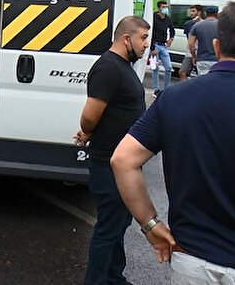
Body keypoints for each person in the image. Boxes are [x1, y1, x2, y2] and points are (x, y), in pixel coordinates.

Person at [111, 1, 235, 285]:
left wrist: (150, 225)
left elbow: (123, 160)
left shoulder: (175, 98)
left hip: (190, 259)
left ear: (216, 47)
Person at [74, 15, 150, 285]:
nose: (146, 45)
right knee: (109, 228)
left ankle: (113, 278)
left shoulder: (122, 66)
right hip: (109, 164)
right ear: (126, 38)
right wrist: (87, 131)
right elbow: (90, 116)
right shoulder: (108, 68)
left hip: (123, 164)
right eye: (142, 38)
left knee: (118, 225)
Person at [150, 0, 175, 97]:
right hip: (155, 45)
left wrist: (170, 39)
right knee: (154, 68)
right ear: (159, 8)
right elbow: (150, 33)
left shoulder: (167, 19)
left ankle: (166, 89)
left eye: (166, 7)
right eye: (163, 7)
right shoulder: (153, 17)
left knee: (168, 68)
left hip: (163, 45)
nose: (165, 8)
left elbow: (172, 30)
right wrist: (152, 48)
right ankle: (156, 89)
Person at [188, 6, 219, 75]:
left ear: (205, 14)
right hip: (218, 60)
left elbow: (191, 44)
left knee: (203, 83)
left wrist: (194, 57)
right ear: (217, 14)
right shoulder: (222, 26)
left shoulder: (197, 26)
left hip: (202, 59)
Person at [178, 5, 202, 80]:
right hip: (190, 53)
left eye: (193, 11)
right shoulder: (188, 24)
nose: (191, 13)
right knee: (182, 72)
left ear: (199, 12)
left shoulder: (203, 24)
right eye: (190, 11)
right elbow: (188, 39)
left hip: (200, 52)